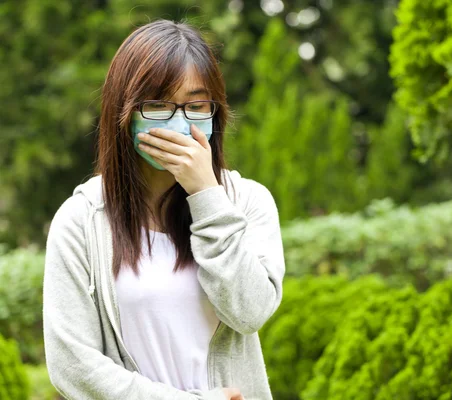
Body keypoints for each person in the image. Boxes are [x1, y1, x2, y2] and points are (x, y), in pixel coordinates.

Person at [42, 19, 285, 400]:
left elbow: (250, 312)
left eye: (196, 104)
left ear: (215, 111)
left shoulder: (247, 202)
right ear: (124, 112)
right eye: (157, 105)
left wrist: (206, 194)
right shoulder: (82, 219)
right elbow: (71, 364)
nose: (178, 122)